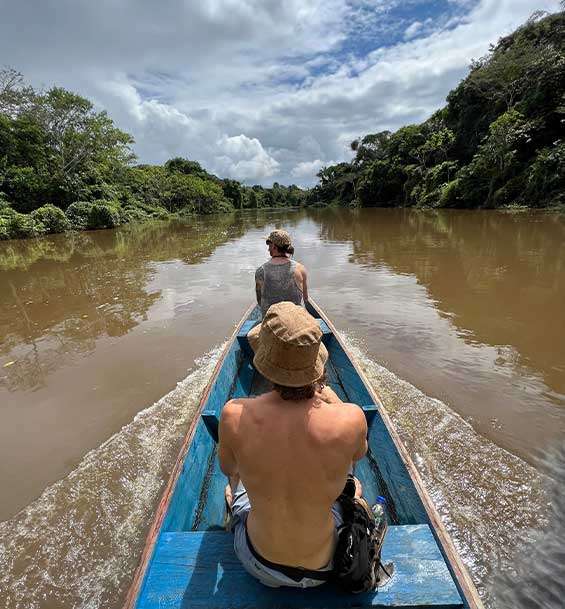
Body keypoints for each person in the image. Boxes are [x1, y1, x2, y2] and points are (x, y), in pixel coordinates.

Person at [218, 302, 368, 588]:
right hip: (326, 566)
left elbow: (229, 468)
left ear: (264, 362)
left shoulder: (233, 414)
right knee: (353, 485)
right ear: (316, 365)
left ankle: (236, 504)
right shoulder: (351, 418)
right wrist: (331, 398)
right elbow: (357, 455)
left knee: (234, 483)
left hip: (259, 563)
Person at [255, 230, 308, 317]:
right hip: (296, 320)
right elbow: (305, 298)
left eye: (269, 246)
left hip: (271, 322)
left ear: (275, 247)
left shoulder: (261, 271)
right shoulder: (301, 269)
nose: (268, 249)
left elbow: (259, 301)